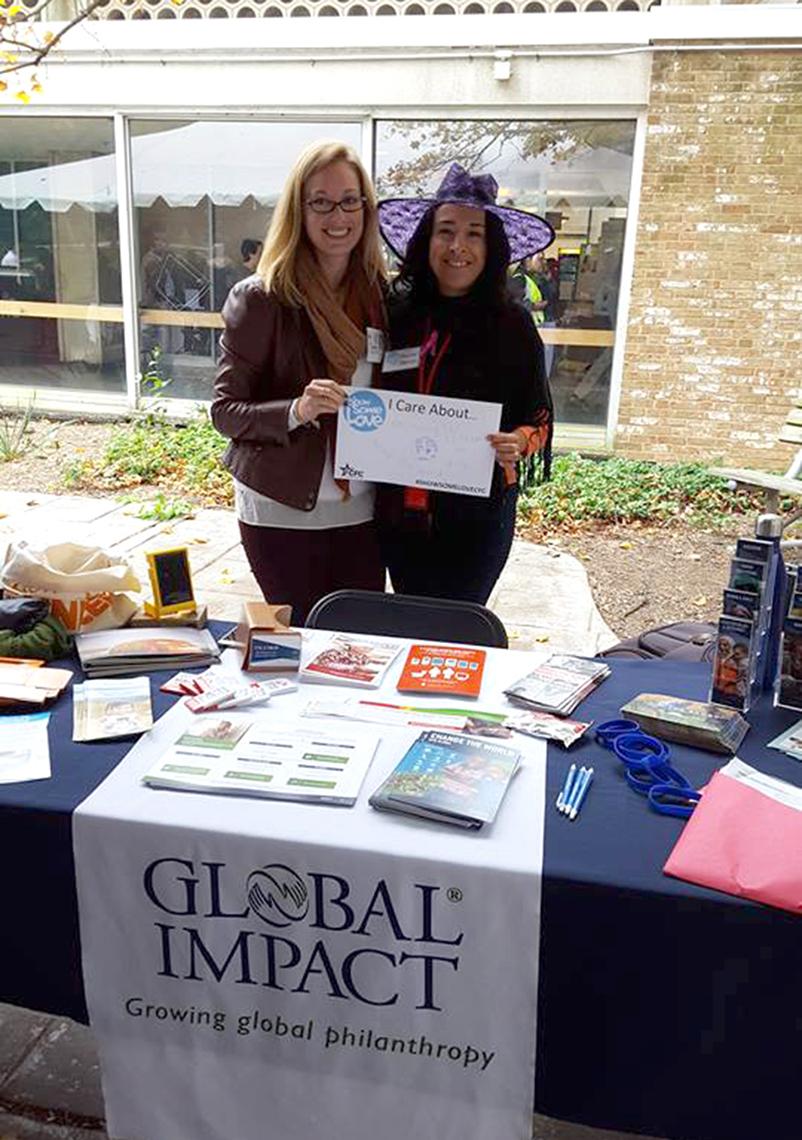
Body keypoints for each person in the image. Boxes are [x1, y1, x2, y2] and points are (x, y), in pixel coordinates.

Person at [211, 140, 387, 626]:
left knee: (358, 650)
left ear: (366, 208)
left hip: (364, 510)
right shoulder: (261, 298)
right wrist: (297, 410)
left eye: (350, 200)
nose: (339, 215)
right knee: (300, 649)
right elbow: (225, 412)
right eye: (322, 202)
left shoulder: (380, 295)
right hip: (281, 508)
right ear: (299, 210)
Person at [375, 163, 554, 605]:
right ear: (426, 240)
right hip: (399, 511)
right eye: (446, 231)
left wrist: (518, 441)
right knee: (410, 618)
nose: (459, 246)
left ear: (491, 245)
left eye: (474, 233)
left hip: (478, 515)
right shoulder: (393, 311)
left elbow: (539, 417)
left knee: (460, 625)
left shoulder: (512, 323)